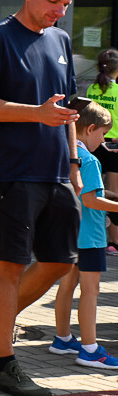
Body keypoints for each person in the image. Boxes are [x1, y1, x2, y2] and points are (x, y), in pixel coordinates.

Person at [0, 0, 83, 396]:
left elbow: (65, 109)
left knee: (60, 262)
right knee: (10, 262)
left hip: (56, 170)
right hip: (11, 170)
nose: (60, 11)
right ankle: (4, 364)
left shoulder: (61, 40)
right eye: (53, 0)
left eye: (66, 4)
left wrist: (73, 161)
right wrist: (35, 113)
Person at [50, 101, 118, 369]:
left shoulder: (66, 153)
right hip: (90, 237)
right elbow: (92, 200)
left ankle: (63, 339)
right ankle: (90, 349)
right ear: (90, 128)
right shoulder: (89, 160)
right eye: (102, 134)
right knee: (91, 290)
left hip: (69, 233)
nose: (103, 140)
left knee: (66, 286)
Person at [84, 48, 118, 253]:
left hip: (95, 143)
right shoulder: (117, 91)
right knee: (114, 195)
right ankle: (114, 242)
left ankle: (97, 236)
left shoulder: (91, 89)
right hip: (115, 146)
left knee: (95, 191)